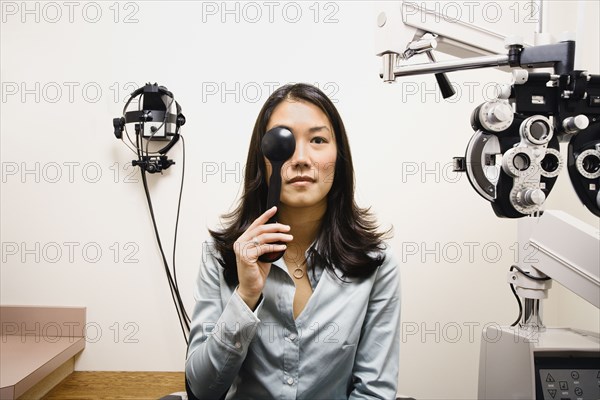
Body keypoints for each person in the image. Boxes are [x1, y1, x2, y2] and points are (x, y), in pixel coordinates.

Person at [185, 83, 400, 399]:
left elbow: (374, 391)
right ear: (263, 159)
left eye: (318, 140)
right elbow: (202, 391)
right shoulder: (221, 256)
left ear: (339, 157)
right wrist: (245, 296)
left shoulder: (377, 265)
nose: (300, 158)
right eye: (283, 142)